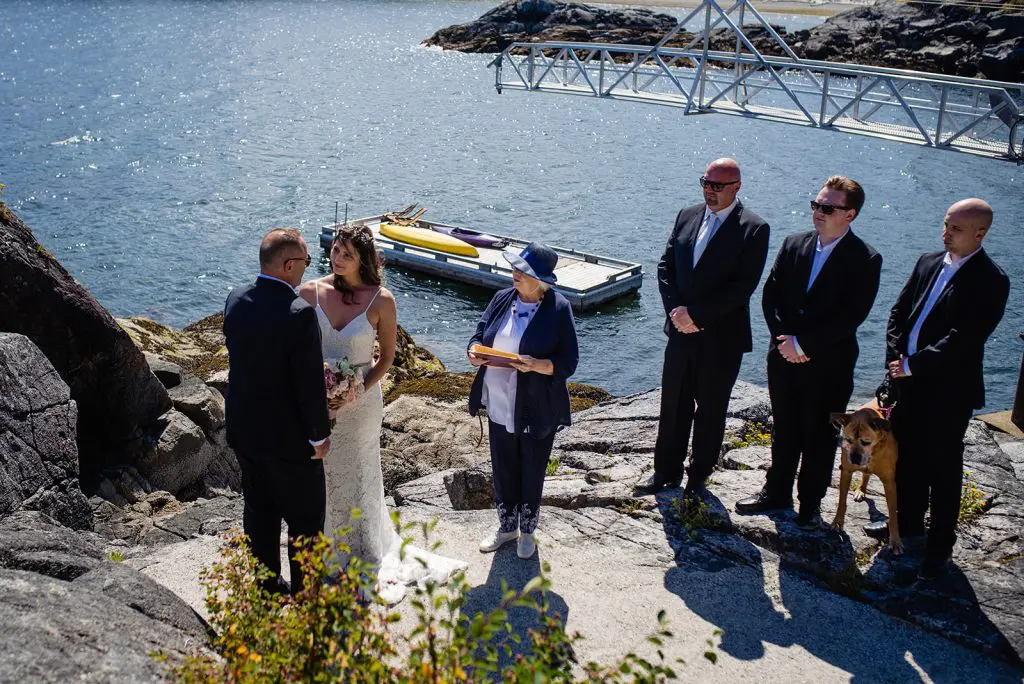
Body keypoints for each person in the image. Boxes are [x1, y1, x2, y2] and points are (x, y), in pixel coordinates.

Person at [297, 224, 466, 603]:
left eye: (347, 254)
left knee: (359, 471)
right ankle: (321, 546)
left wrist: (355, 390)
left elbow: (386, 358)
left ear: (364, 260)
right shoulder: (310, 292)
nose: (337, 259)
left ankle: (364, 547)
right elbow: (294, 348)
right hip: (317, 403)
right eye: (336, 251)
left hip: (361, 407)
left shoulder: (381, 301)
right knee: (320, 474)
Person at [865, 198, 1009, 580]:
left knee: (943, 468)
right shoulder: (928, 261)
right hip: (907, 384)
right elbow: (898, 313)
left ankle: (940, 547)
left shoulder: (991, 280)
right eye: (946, 225)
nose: (946, 233)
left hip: (948, 392)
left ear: (980, 233)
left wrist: (913, 364)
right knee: (906, 458)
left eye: (956, 229)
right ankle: (908, 527)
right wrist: (895, 360)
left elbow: (965, 338)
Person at [736, 176, 882, 529]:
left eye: (827, 207)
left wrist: (805, 345)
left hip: (830, 364)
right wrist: (785, 340)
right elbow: (770, 296)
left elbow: (851, 316)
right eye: (816, 204)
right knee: (784, 428)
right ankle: (776, 491)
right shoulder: (793, 243)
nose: (818, 212)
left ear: (850, 214)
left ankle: (810, 504)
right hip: (783, 357)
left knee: (819, 435)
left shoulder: (865, 258)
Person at [638, 158, 770, 499]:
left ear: (737, 187)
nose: (709, 191)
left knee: (711, 409)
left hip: (721, 337)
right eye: (706, 183)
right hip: (680, 331)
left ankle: (698, 476)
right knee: (673, 405)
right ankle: (665, 471)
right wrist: (676, 313)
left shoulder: (753, 228)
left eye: (718, 186)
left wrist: (696, 315)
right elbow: (666, 267)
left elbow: (742, 286)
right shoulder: (687, 215)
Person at [223, 228, 331, 595]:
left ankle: (267, 590)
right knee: (305, 522)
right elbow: (308, 385)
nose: (306, 269)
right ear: (289, 265)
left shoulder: (235, 299)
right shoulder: (299, 314)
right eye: (305, 262)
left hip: (244, 432)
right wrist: (319, 435)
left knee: (259, 513)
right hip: (289, 440)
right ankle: (306, 597)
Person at [467, 242, 579, 560]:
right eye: (516, 268)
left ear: (541, 280)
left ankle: (527, 531)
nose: (515, 274)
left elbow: (568, 361)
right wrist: (473, 351)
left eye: (523, 271)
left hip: (535, 405)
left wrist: (536, 365)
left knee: (531, 467)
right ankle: (506, 528)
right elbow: (478, 334)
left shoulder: (558, 308)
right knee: (503, 467)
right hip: (499, 399)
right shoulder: (502, 298)